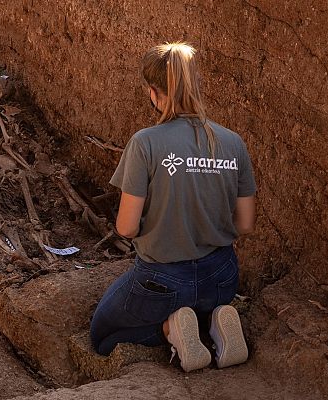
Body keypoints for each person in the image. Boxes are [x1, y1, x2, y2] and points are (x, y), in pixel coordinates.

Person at [89, 42, 257, 372]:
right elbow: (246, 224)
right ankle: (214, 322)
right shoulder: (233, 142)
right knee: (201, 298)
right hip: (222, 277)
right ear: (196, 84)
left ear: (153, 91)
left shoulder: (145, 143)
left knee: (102, 333)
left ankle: (171, 328)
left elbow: (126, 227)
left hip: (162, 280)